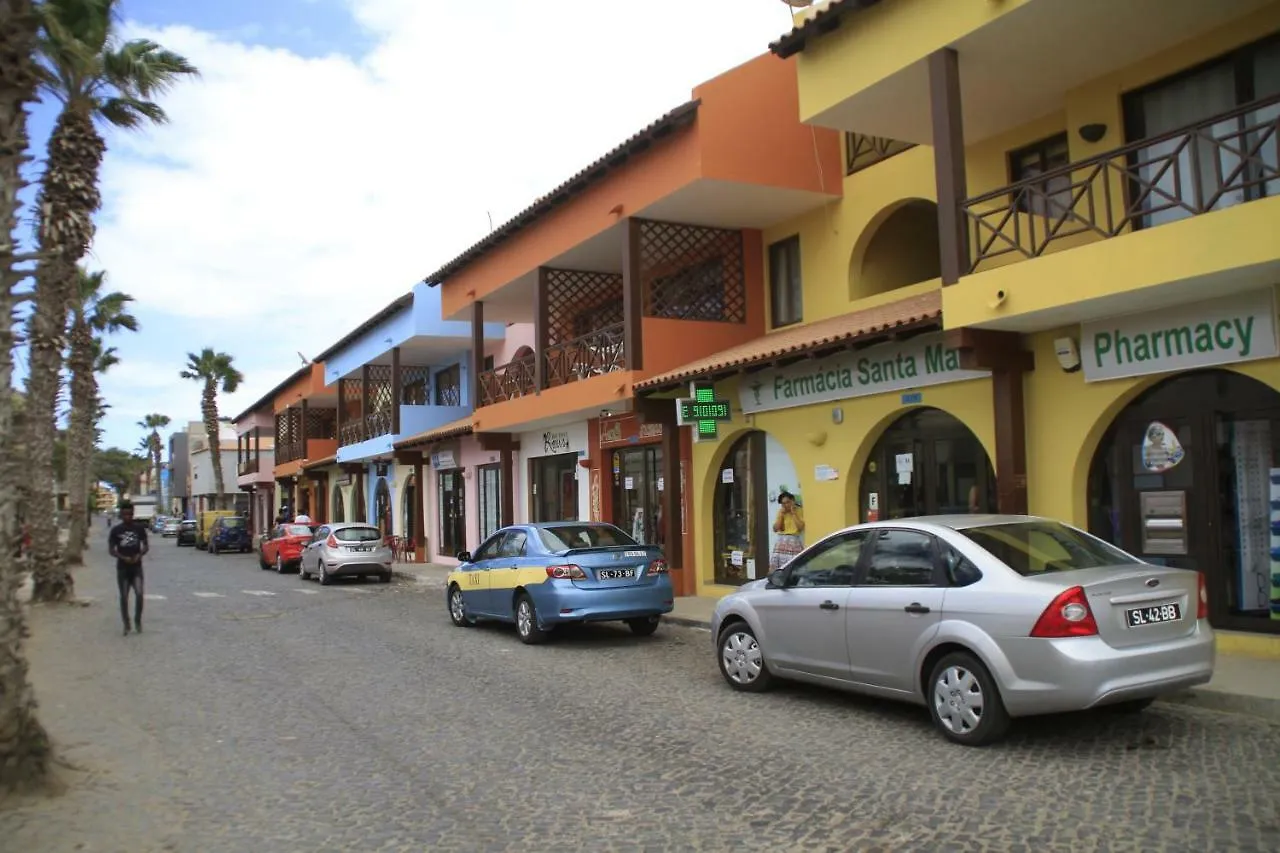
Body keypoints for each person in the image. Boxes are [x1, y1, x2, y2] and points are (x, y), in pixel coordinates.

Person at [108, 502, 150, 636]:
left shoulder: (139, 529)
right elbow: (111, 550)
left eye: (130, 514)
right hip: (123, 568)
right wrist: (122, 557)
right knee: (124, 597)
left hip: (136, 567)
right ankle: (126, 623)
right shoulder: (116, 530)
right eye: (125, 514)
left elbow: (146, 546)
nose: (128, 516)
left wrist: (140, 554)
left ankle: (137, 620)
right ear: (121, 515)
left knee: (139, 594)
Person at [769, 490, 806, 572]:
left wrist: (793, 513)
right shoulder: (781, 512)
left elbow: (800, 527)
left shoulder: (799, 510)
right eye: (783, 503)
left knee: (794, 568)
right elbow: (775, 529)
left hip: (793, 541)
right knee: (777, 569)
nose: (786, 505)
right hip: (781, 542)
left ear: (793, 501)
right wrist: (781, 516)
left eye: (787, 502)